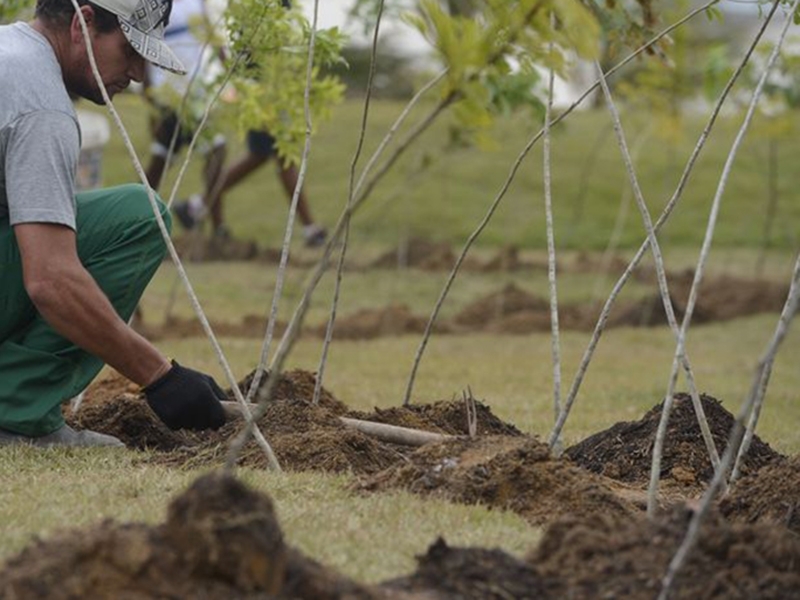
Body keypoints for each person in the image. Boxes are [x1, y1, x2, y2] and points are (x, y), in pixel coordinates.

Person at [0, 0, 227, 447]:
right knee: (139, 218)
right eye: (130, 50)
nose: (140, 74)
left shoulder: (9, 51)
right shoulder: (41, 106)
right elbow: (51, 280)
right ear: (84, 22)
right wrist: (161, 377)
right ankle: (13, 412)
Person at [174, 129, 328, 248]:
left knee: (261, 154)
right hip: (269, 101)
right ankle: (310, 228)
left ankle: (197, 204)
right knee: (283, 155)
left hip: (269, 99)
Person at [142, 0, 226, 197]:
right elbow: (144, 46)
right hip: (168, 95)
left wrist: (229, 68)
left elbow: (211, 33)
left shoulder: (197, 2)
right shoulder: (153, 5)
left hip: (195, 92)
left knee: (162, 161)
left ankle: (207, 216)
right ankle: (202, 211)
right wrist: (150, 97)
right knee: (215, 150)